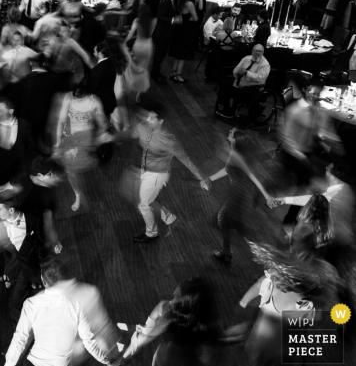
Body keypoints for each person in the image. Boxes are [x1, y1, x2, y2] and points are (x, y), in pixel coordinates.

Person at [113, 107, 211, 242]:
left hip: (156, 175)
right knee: (144, 200)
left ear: (161, 121)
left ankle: (152, 233)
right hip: (142, 170)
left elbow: (185, 159)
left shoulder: (168, 140)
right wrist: (112, 137)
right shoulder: (143, 127)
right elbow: (131, 134)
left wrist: (201, 177)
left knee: (142, 204)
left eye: (152, 118)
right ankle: (169, 218)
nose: (148, 120)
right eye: (148, 116)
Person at [4, 258, 115, 366]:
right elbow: (89, 341)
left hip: (35, 363)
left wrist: (8, 365)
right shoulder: (76, 305)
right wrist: (107, 361)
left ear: (43, 281)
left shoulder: (31, 303)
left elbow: (20, 338)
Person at [239, 242, 322, 366]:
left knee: (258, 362)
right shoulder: (303, 303)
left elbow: (254, 296)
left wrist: (244, 304)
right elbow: (304, 329)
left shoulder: (272, 280)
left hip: (265, 339)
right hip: (281, 345)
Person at [121, 277, 223, 366]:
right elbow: (217, 353)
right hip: (190, 362)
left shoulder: (165, 309)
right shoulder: (209, 324)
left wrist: (123, 360)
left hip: (166, 361)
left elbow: (143, 337)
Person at [207, 129, 271, 261]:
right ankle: (228, 250)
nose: (229, 131)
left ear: (235, 139)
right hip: (237, 191)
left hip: (239, 193)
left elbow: (252, 176)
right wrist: (210, 179)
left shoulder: (236, 155)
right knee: (225, 220)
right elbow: (226, 170)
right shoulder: (234, 152)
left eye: (232, 132)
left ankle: (257, 251)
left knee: (223, 219)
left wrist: (267, 195)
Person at [0, 188, 46, 326]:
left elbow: (40, 242)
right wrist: (8, 274)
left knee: (44, 301)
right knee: (14, 305)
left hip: (32, 267)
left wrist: (42, 264)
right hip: (16, 268)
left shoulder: (32, 219)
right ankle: (27, 334)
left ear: (11, 210)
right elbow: (9, 254)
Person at [53, 81, 109, 211]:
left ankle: (88, 192)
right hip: (70, 136)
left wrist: (96, 141)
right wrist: (58, 142)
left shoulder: (95, 101)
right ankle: (77, 194)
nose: (75, 100)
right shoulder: (69, 97)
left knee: (82, 168)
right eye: (75, 97)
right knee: (69, 170)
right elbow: (61, 121)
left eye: (79, 98)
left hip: (85, 138)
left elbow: (103, 124)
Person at [214, 44, 270, 118]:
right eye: (255, 50)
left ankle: (232, 112)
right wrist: (237, 72)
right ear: (252, 51)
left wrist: (247, 73)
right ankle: (223, 106)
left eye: (259, 51)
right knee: (224, 84)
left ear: (263, 53)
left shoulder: (265, 64)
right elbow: (236, 69)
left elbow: (260, 78)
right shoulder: (246, 58)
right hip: (240, 81)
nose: (257, 53)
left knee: (240, 91)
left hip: (253, 86)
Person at [150, 0, 181, 84]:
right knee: (159, 55)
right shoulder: (165, 1)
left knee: (161, 54)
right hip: (161, 33)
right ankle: (155, 74)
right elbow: (160, 17)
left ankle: (155, 72)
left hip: (165, 33)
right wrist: (173, 20)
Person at [169, 0, 199, 83]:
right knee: (183, 54)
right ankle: (178, 75)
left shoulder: (180, 1)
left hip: (179, 28)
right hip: (186, 29)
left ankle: (173, 72)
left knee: (178, 52)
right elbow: (195, 18)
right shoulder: (190, 3)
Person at [87, 41, 117, 117]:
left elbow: (92, 89)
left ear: (100, 53)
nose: (93, 53)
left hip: (100, 104)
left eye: (95, 52)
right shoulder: (112, 64)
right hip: (110, 100)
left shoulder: (96, 70)